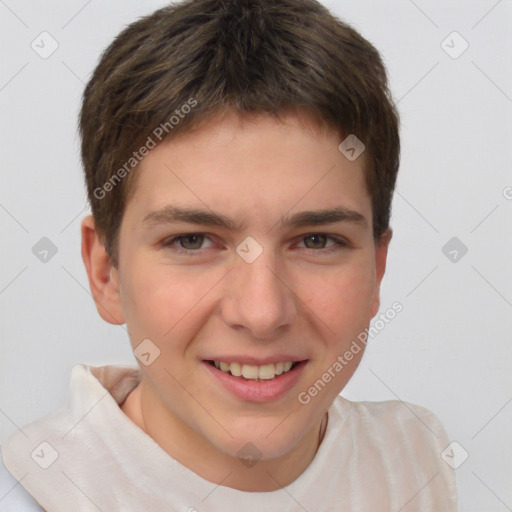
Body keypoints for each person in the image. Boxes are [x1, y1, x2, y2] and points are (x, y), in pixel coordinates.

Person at [0, 0, 458, 510]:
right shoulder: (28, 493)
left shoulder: (416, 459)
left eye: (316, 241)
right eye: (192, 240)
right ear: (106, 272)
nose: (262, 313)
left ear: (376, 270)